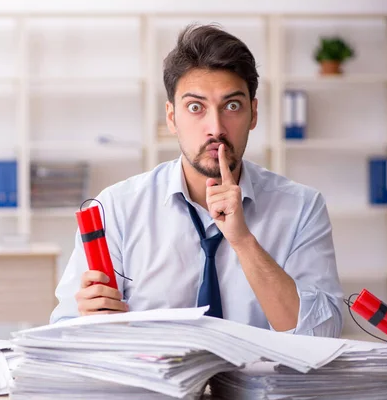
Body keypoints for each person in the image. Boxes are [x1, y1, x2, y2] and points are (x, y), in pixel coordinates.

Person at [50, 23, 344, 336]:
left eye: (232, 106)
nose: (215, 128)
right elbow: (63, 330)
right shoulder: (116, 208)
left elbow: (320, 335)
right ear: (172, 117)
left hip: (261, 384)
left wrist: (243, 241)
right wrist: (87, 320)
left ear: (253, 113)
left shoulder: (302, 208)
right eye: (195, 107)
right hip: (156, 384)